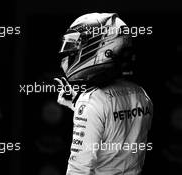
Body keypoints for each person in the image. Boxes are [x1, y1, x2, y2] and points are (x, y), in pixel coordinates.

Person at [55, 13, 153, 175]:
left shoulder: (91, 101)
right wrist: (77, 104)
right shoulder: (141, 94)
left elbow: (79, 168)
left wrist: (82, 105)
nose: (70, 52)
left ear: (103, 47)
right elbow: (116, 130)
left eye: (76, 45)